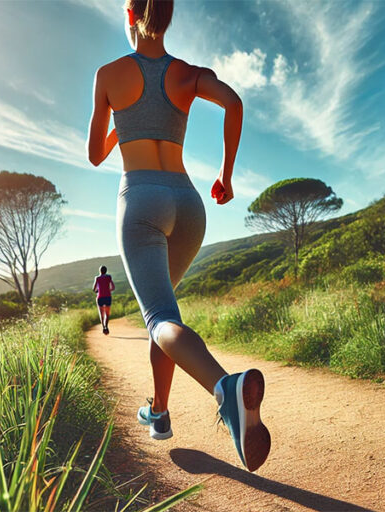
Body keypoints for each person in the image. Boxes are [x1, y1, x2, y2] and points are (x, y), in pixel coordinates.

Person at [86, 0, 270, 471]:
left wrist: (119, 124)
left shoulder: (108, 74)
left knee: (160, 316)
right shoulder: (189, 73)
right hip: (188, 204)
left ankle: (224, 388)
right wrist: (227, 177)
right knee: (164, 312)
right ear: (167, 18)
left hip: (142, 198)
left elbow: (94, 155)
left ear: (130, 16)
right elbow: (234, 102)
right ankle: (160, 412)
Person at [93, 265, 115, 334]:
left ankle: (103, 327)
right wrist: (108, 290)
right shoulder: (109, 277)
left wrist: (98, 291)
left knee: (101, 313)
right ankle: (106, 326)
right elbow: (113, 287)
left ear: (100, 271)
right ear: (106, 271)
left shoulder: (97, 278)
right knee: (107, 313)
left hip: (100, 297)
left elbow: (94, 289)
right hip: (108, 297)